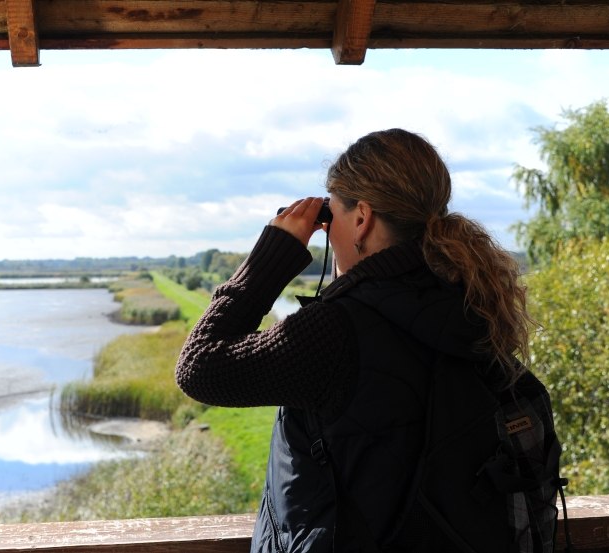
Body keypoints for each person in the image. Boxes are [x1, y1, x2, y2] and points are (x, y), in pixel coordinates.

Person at [174, 128, 534, 552]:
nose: (331, 233)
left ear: (362, 218)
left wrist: (274, 252)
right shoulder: (472, 304)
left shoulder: (336, 330)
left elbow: (199, 368)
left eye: (334, 219)